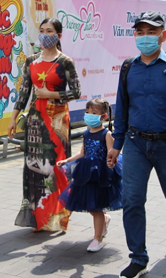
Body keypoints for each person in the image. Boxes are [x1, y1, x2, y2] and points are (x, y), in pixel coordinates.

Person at [106, 11, 166, 278]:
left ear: (163, 35)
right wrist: (117, 145)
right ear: (135, 35)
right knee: (132, 199)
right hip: (136, 145)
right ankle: (138, 257)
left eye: (152, 32)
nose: (146, 37)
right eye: (141, 32)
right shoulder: (128, 68)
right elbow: (122, 110)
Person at [7, 18, 81, 232]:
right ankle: (38, 218)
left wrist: (51, 94)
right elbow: (24, 91)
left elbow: (76, 91)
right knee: (34, 165)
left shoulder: (65, 61)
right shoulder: (31, 60)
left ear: (59, 35)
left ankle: (57, 216)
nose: (45, 34)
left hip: (57, 121)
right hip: (35, 119)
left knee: (56, 165)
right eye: (42, 30)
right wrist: (14, 116)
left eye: (50, 30)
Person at [57, 98, 122, 252]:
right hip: (86, 173)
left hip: (101, 174)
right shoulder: (86, 134)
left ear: (103, 116)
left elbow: (112, 154)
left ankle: (97, 238)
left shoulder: (107, 134)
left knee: (96, 206)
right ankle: (104, 220)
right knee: (92, 207)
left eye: (94, 113)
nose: (89, 115)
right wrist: (67, 159)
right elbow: (82, 153)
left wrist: (110, 163)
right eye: (87, 112)